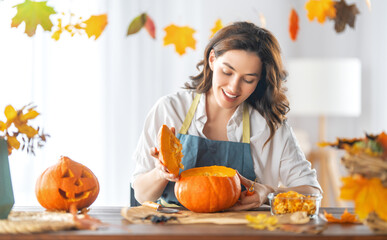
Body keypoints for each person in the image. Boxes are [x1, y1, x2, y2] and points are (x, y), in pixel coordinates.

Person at [131, 21, 322, 211]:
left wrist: (268, 193)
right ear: (212, 59)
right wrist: (160, 173)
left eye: (248, 79)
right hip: (175, 230)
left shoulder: (270, 126)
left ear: (260, 80)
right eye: (227, 72)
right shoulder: (170, 109)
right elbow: (141, 195)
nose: (233, 87)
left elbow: (313, 193)